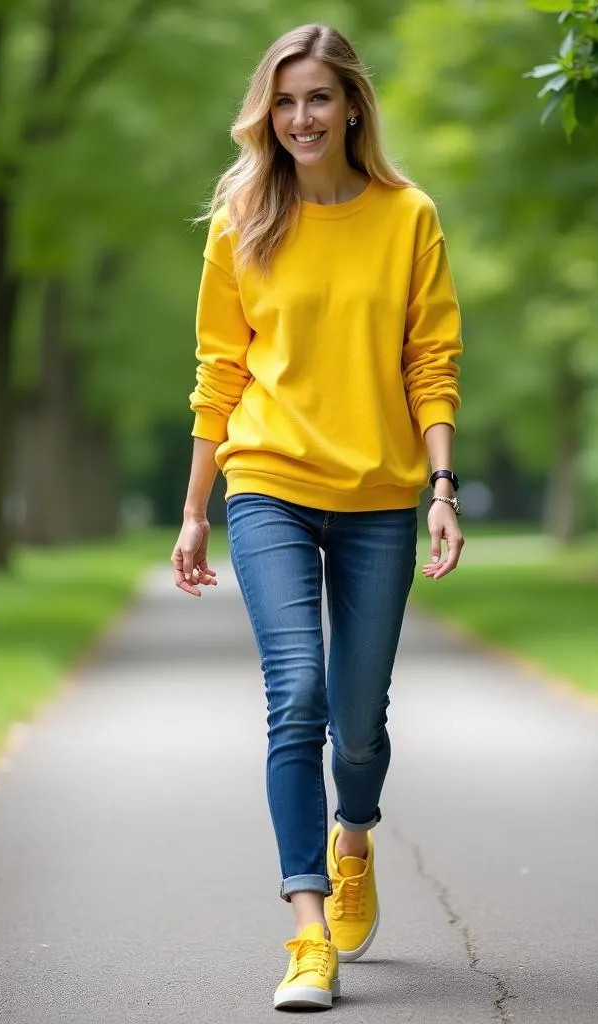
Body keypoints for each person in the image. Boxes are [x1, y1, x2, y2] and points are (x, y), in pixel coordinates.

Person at [171, 22, 464, 1012]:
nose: (300, 118)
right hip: (268, 483)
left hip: (381, 495)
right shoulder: (241, 219)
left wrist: (441, 489)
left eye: (317, 99)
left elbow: (430, 357)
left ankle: (354, 834)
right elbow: (219, 367)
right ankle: (306, 934)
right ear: (270, 112)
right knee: (295, 694)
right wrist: (195, 507)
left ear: (351, 108)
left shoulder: (407, 215)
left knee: (359, 723)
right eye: (284, 101)